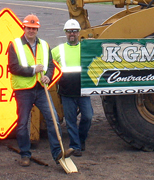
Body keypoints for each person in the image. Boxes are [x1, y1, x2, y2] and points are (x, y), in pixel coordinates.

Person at [8, 14, 73, 167]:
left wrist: (48, 77)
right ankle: (25, 154)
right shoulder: (15, 44)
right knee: (23, 123)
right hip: (23, 90)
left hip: (41, 88)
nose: (31, 31)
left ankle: (57, 152)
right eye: (29, 28)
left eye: (34, 28)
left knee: (53, 119)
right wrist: (32, 70)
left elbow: (50, 65)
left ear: (37, 29)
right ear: (24, 28)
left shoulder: (44, 45)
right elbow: (13, 67)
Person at [51, 19, 93, 157]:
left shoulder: (86, 49)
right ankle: (75, 146)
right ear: (65, 33)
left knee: (88, 116)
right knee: (70, 121)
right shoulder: (58, 50)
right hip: (66, 92)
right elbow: (48, 64)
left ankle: (81, 140)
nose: (72, 34)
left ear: (79, 32)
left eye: (74, 31)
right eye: (69, 31)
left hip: (83, 91)